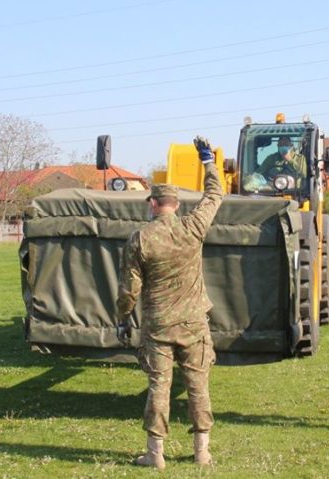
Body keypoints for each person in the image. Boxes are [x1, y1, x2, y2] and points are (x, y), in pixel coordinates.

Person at [115, 136, 224, 469]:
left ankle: (155, 453)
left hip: (158, 325)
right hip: (193, 324)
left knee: (158, 387)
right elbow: (215, 194)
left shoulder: (141, 238)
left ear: (152, 204)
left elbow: (129, 288)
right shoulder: (193, 227)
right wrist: (207, 161)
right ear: (176, 205)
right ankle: (202, 451)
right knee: (198, 385)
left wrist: (123, 318)